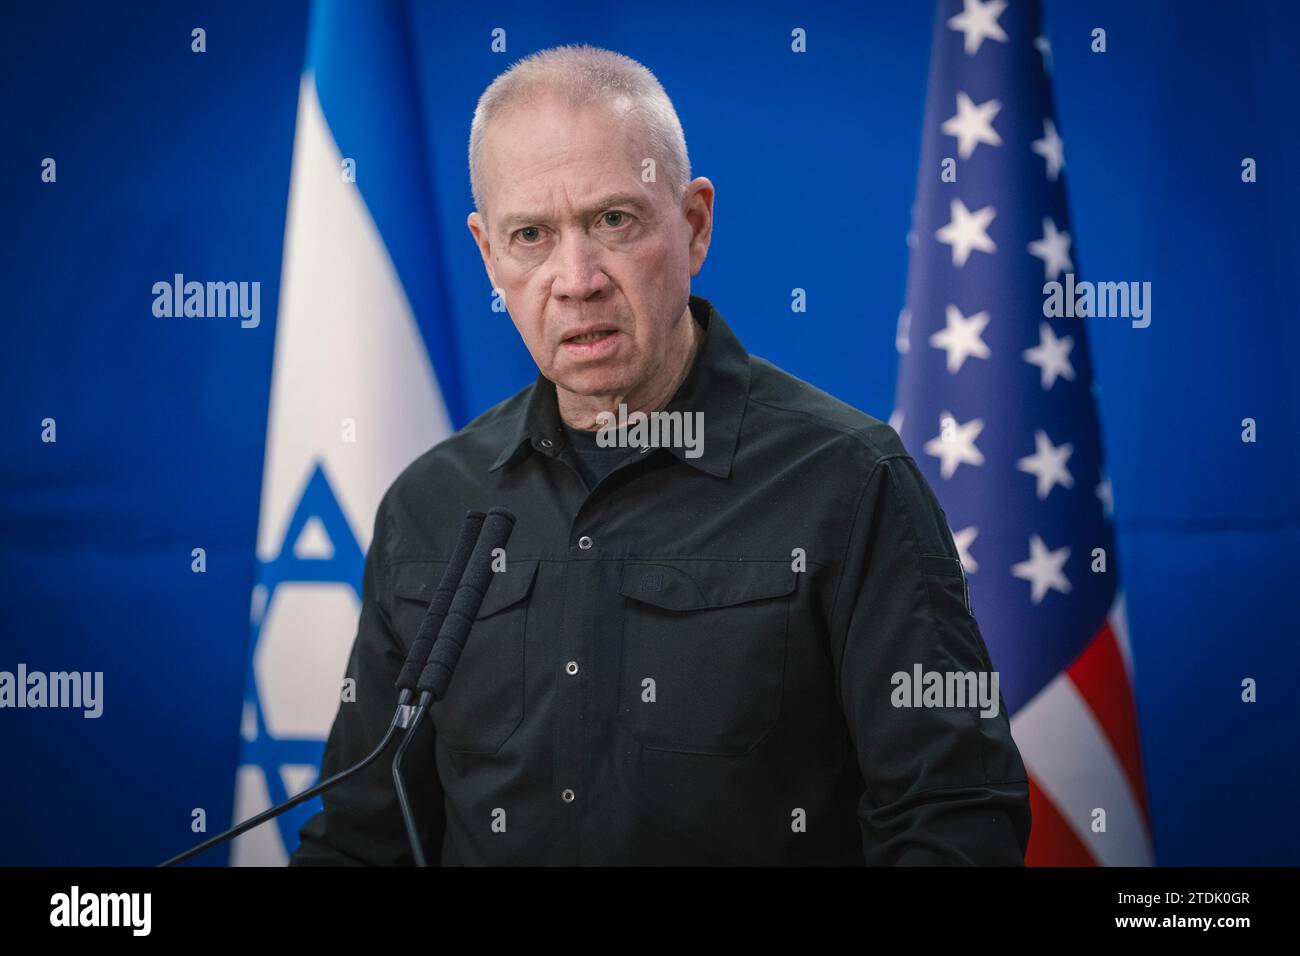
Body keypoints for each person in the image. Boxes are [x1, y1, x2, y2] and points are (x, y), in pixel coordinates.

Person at [290, 43, 1030, 866]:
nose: (577, 279)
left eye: (613, 220)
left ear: (694, 224)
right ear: (488, 255)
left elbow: (956, 820)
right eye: (531, 235)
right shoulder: (429, 505)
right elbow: (360, 841)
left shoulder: (850, 484)